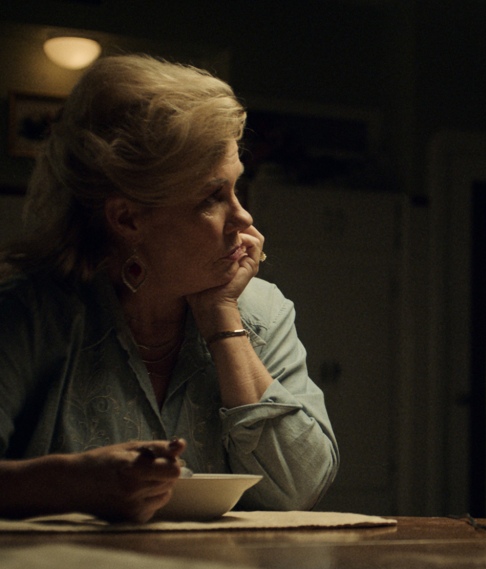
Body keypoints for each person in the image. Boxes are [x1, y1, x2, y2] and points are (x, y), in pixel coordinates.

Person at [0, 54, 338, 523]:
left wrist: (222, 316)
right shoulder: (30, 314)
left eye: (237, 190)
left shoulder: (261, 310)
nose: (243, 219)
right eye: (211, 198)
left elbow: (297, 489)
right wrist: (72, 482)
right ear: (128, 218)